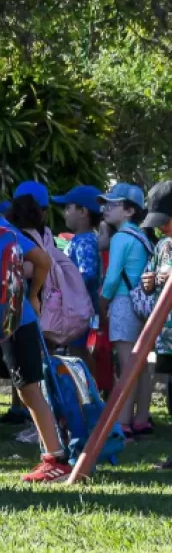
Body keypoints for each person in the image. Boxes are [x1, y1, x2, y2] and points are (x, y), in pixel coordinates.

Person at [0, 165, 75, 483]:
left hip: (15, 320)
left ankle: (56, 459)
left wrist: (34, 296)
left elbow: (43, 261)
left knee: (28, 390)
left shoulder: (5, 230)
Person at [98, 184, 153, 440]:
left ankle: (124, 423)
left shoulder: (121, 237)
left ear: (129, 210)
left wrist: (102, 302)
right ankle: (141, 418)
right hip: (141, 304)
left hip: (122, 302)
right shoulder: (141, 236)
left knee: (127, 363)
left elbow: (111, 279)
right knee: (140, 364)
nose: (104, 209)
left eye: (112, 204)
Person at [53, 186, 103, 364]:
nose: (65, 213)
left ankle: (89, 389)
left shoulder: (85, 240)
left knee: (79, 354)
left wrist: (63, 284)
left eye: (68, 208)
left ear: (83, 212)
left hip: (81, 311)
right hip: (79, 309)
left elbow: (88, 275)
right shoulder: (81, 239)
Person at [141, 182, 172, 469]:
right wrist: (148, 283)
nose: (161, 228)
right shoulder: (163, 246)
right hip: (168, 337)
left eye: (166, 221)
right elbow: (149, 275)